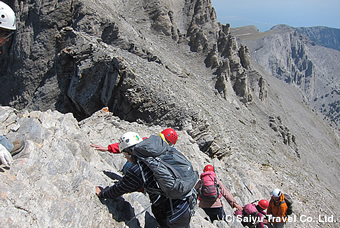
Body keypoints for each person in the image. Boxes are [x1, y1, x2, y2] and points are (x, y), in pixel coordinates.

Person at [95, 131, 191, 228]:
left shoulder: (137, 169)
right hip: (184, 202)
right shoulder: (157, 153)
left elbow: (120, 188)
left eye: (124, 154)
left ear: (128, 153)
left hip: (172, 213)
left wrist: (103, 193)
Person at [90, 128, 178, 173]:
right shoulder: (168, 154)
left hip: (131, 168)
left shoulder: (148, 141)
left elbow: (129, 144)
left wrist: (108, 148)